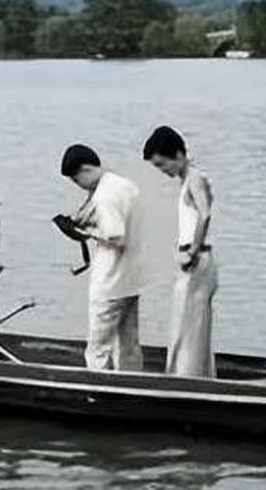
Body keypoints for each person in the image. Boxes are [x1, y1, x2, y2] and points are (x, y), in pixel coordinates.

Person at [58, 143, 145, 371]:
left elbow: (116, 236)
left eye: (76, 180)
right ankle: (133, 385)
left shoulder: (103, 196)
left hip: (110, 283)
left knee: (98, 349)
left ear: (86, 170)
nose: (78, 185)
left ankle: (96, 388)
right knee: (129, 345)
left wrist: (86, 231)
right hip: (132, 279)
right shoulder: (126, 185)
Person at [142, 125, 216, 378]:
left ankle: (187, 379)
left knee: (188, 328)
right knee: (188, 325)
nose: (163, 171)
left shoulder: (194, 178)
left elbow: (205, 214)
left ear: (178, 154)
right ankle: (193, 377)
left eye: (162, 164)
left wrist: (193, 251)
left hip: (196, 260)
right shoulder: (188, 179)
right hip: (194, 259)